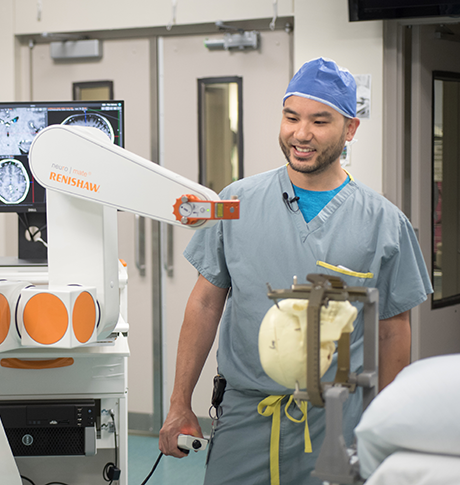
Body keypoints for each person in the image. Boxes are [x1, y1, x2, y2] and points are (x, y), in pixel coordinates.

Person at [158, 57, 432, 485]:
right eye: (291, 117)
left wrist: (387, 425)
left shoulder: (384, 222)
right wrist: (179, 404)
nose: (301, 134)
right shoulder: (235, 203)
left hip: (337, 422)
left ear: (350, 129)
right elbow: (206, 302)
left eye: (320, 121)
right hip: (245, 418)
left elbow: (392, 330)